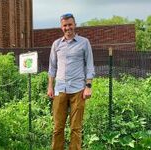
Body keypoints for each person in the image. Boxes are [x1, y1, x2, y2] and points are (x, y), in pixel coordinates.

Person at [47, 13, 95, 150]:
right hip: (60, 89)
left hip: (78, 90)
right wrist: (50, 86)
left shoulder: (84, 42)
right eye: (65, 25)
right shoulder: (56, 44)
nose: (67, 28)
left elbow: (89, 66)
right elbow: (52, 67)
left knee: (76, 128)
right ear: (61, 27)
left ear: (75, 25)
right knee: (57, 128)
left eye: (70, 24)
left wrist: (88, 86)